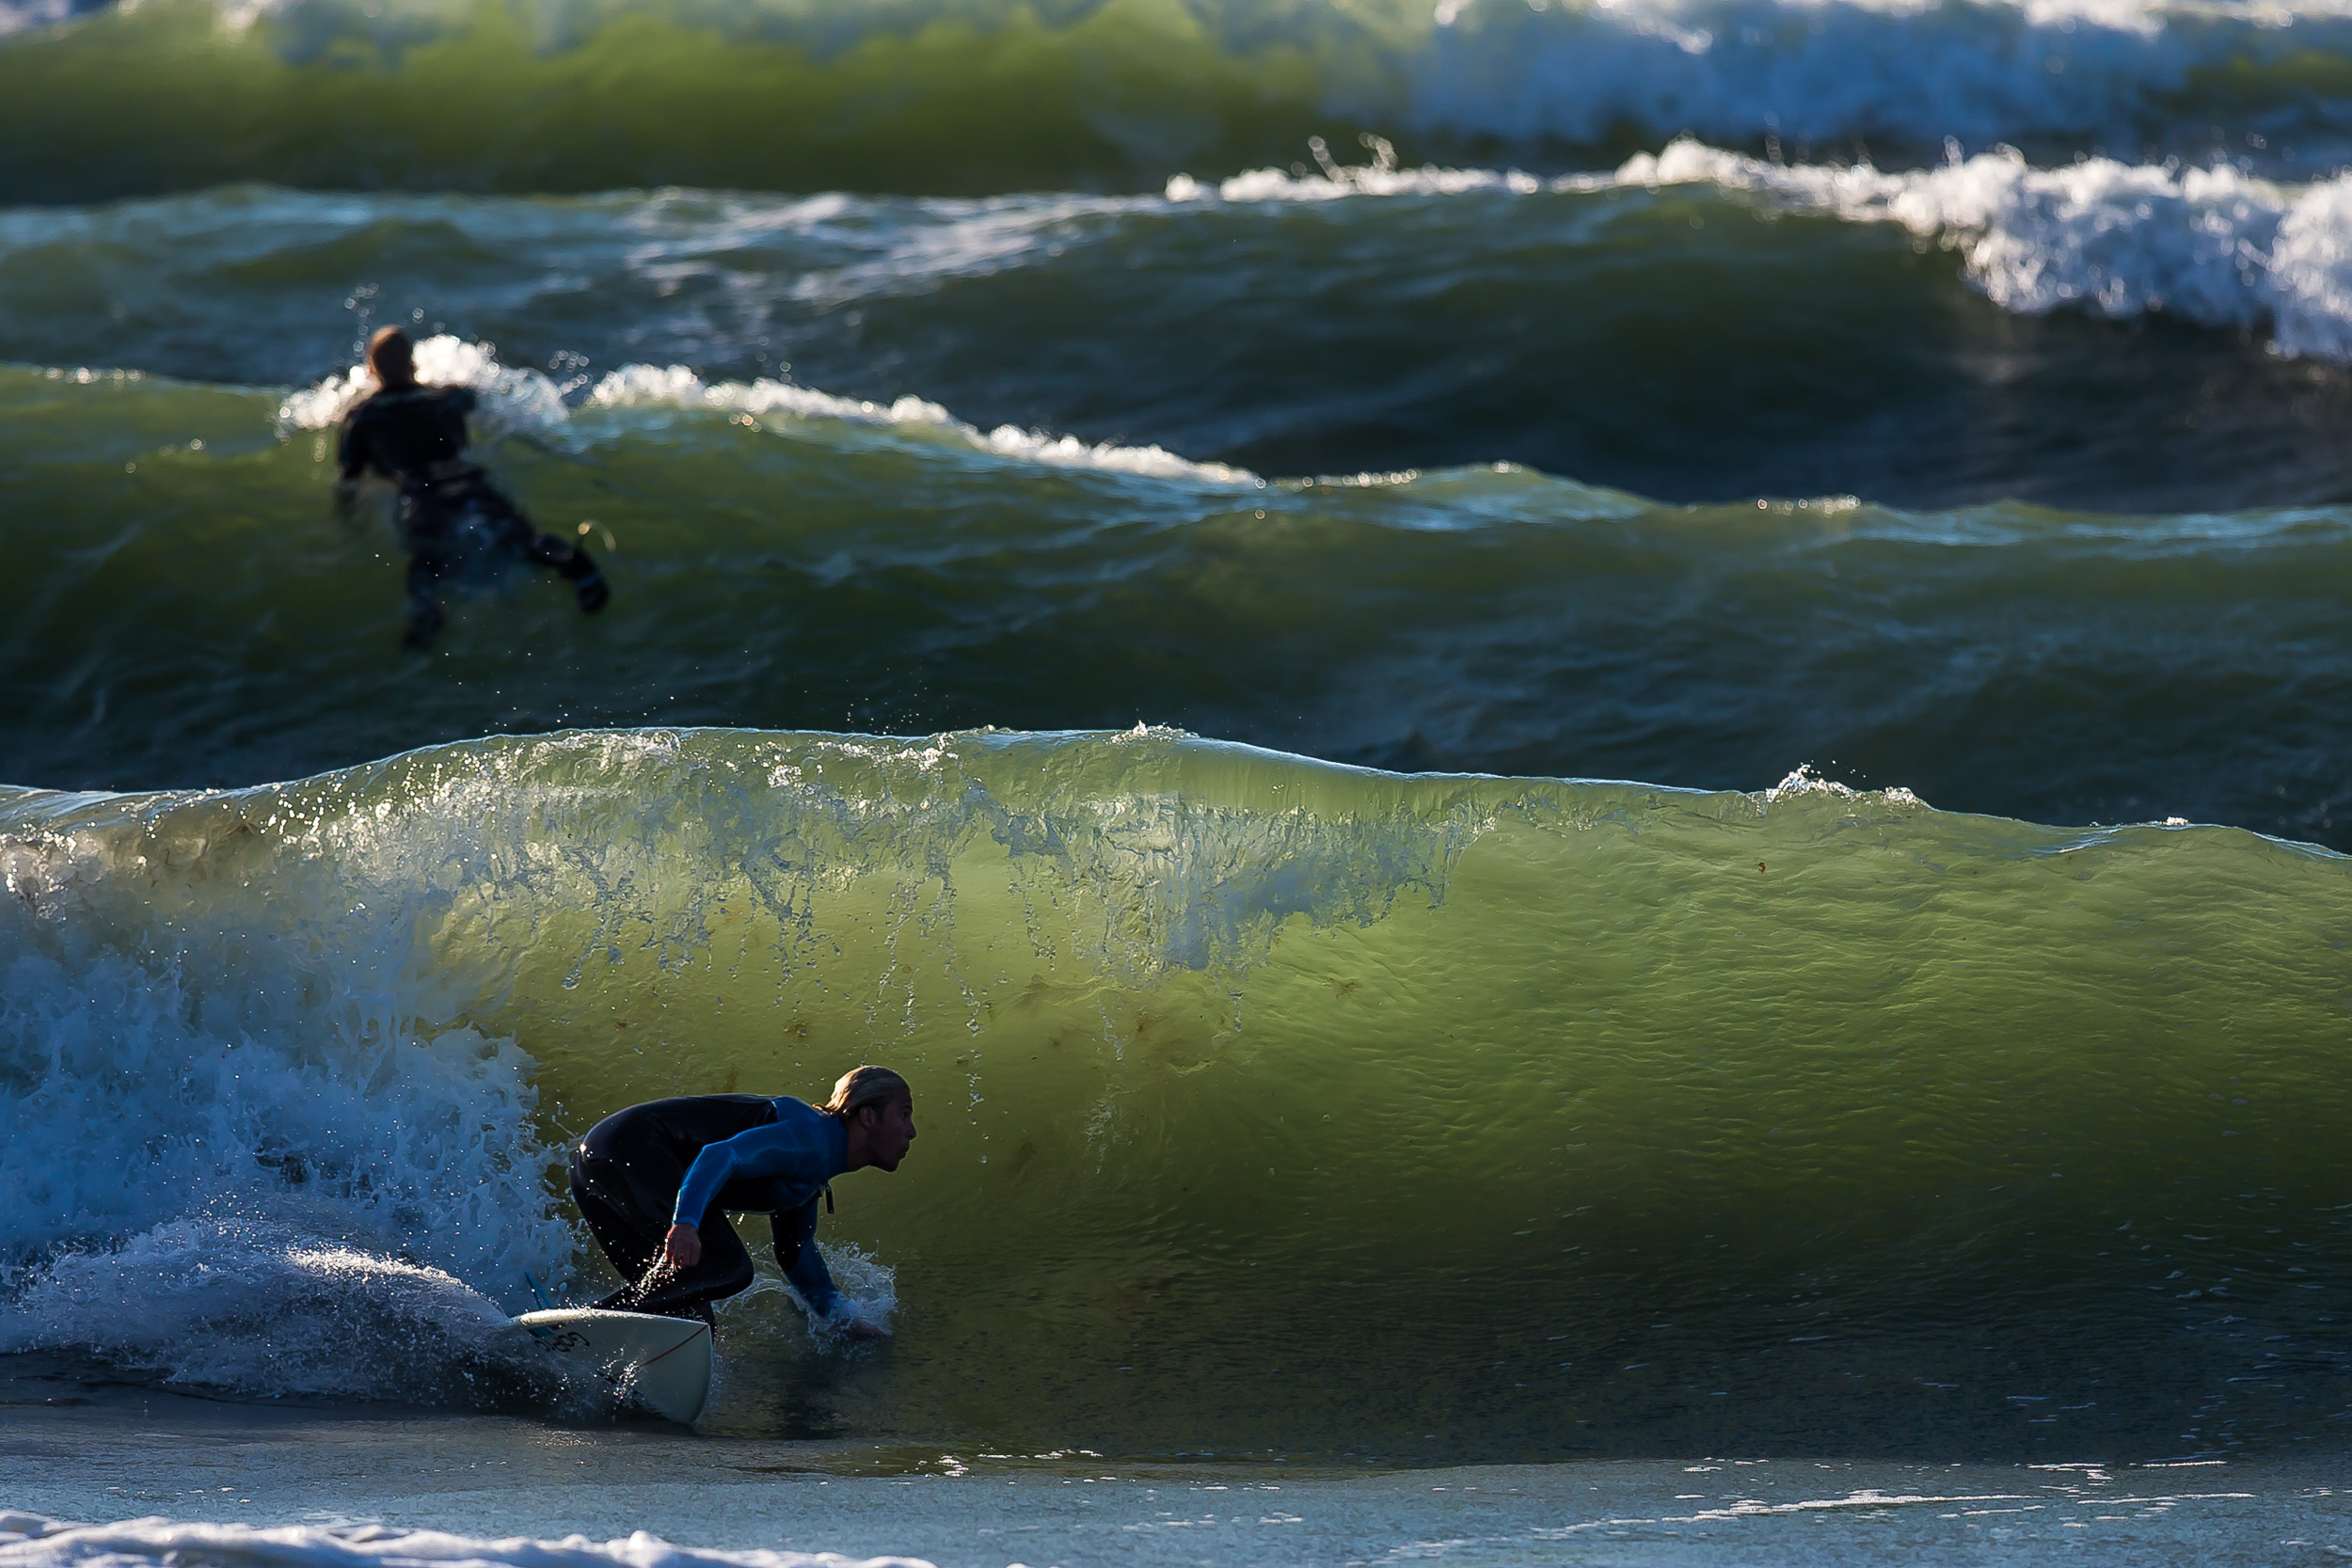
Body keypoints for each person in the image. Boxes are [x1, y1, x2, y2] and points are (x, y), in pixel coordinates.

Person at [567, 1066, 915, 1335]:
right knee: (728, 1266)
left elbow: (797, 1254)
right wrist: (686, 1223)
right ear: (868, 1117)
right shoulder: (810, 1139)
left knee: (690, 1321)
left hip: (605, 1158)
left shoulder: (814, 1168)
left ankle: (588, 1354)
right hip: (628, 1149)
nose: (911, 1130)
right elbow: (720, 1155)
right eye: (904, 1113)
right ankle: (584, 1322)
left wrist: (845, 1321)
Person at [334, 325, 609, 648]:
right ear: (413, 362)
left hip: (423, 494)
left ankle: (427, 613)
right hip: (468, 482)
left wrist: (347, 515)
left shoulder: (362, 417)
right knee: (519, 536)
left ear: (370, 369)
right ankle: (571, 562)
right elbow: (486, 400)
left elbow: (349, 477)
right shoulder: (448, 398)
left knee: (428, 560)